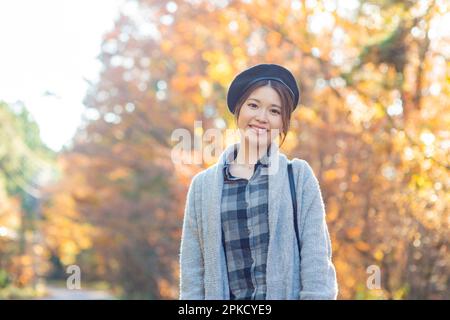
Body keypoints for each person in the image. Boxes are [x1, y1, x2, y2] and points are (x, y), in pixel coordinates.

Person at [179, 63, 338, 300]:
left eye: (274, 111)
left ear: (283, 122)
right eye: (253, 105)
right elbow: (193, 274)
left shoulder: (299, 177)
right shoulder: (202, 187)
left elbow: (317, 266)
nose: (262, 118)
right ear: (239, 110)